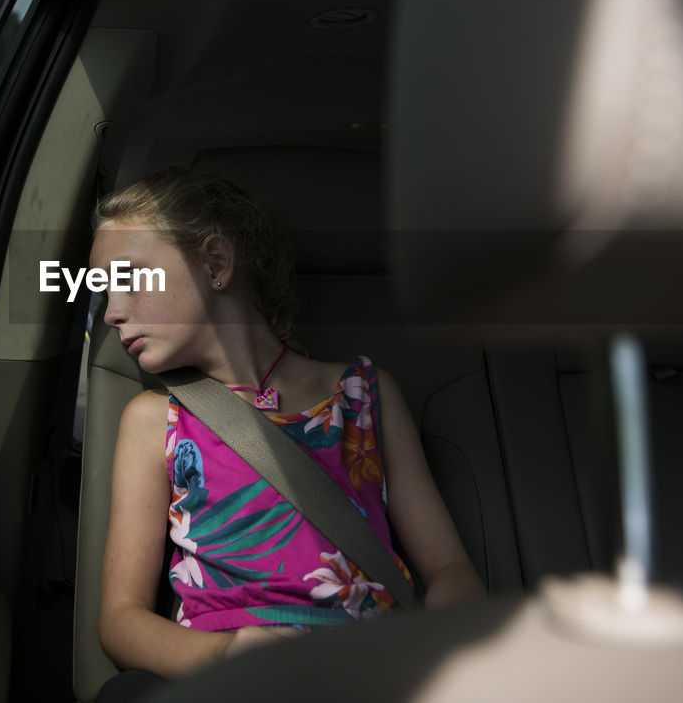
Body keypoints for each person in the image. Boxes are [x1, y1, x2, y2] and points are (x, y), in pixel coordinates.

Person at [90, 168, 484, 691]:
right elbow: (120, 619)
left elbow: (450, 569)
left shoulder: (364, 394)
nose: (113, 314)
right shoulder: (154, 419)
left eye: (131, 280)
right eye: (103, 294)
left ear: (215, 263)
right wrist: (228, 652)